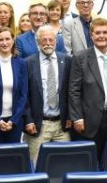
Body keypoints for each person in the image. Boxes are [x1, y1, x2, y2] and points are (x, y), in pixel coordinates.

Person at [69, 17, 107, 158]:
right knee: (92, 161)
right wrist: (77, 118)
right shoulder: (80, 57)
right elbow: (73, 90)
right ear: (91, 35)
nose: (101, 36)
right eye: (98, 32)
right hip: (91, 119)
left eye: (105, 32)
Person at [24, 25, 72, 163]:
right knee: (35, 164)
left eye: (51, 40)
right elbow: (24, 96)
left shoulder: (67, 60)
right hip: (39, 125)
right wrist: (28, 120)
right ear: (37, 42)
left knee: (64, 164)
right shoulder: (27, 63)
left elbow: (71, 91)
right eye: (44, 40)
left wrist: (70, 116)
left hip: (62, 125)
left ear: (56, 41)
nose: (48, 43)